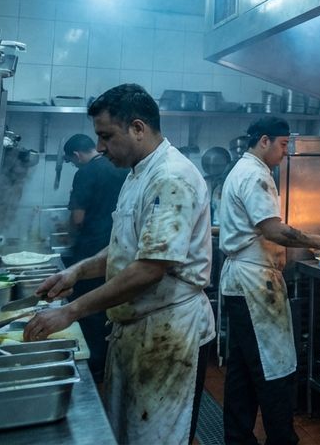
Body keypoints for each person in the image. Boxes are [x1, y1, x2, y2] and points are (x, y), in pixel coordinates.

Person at [24, 84, 215, 445]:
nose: (99, 147)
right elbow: (125, 247)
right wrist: (75, 272)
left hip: (168, 332)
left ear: (138, 128)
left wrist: (72, 311)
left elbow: (149, 268)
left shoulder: (170, 177)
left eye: (106, 136)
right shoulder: (137, 174)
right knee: (129, 433)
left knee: (160, 438)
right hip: (137, 328)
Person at [219, 116, 320, 445]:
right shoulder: (255, 175)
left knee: (243, 370)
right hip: (253, 285)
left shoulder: (244, 171)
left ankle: (237, 438)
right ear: (264, 140)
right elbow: (273, 229)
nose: (285, 153)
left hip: (244, 282)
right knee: (273, 369)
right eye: (283, 145)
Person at [63, 132, 129, 379]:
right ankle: (107, 364)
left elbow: (78, 218)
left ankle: (93, 365)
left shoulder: (85, 173)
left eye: (72, 161)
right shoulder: (120, 168)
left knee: (89, 310)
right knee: (109, 306)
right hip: (117, 248)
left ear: (77, 155)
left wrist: (70, 235)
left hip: (91, 250)